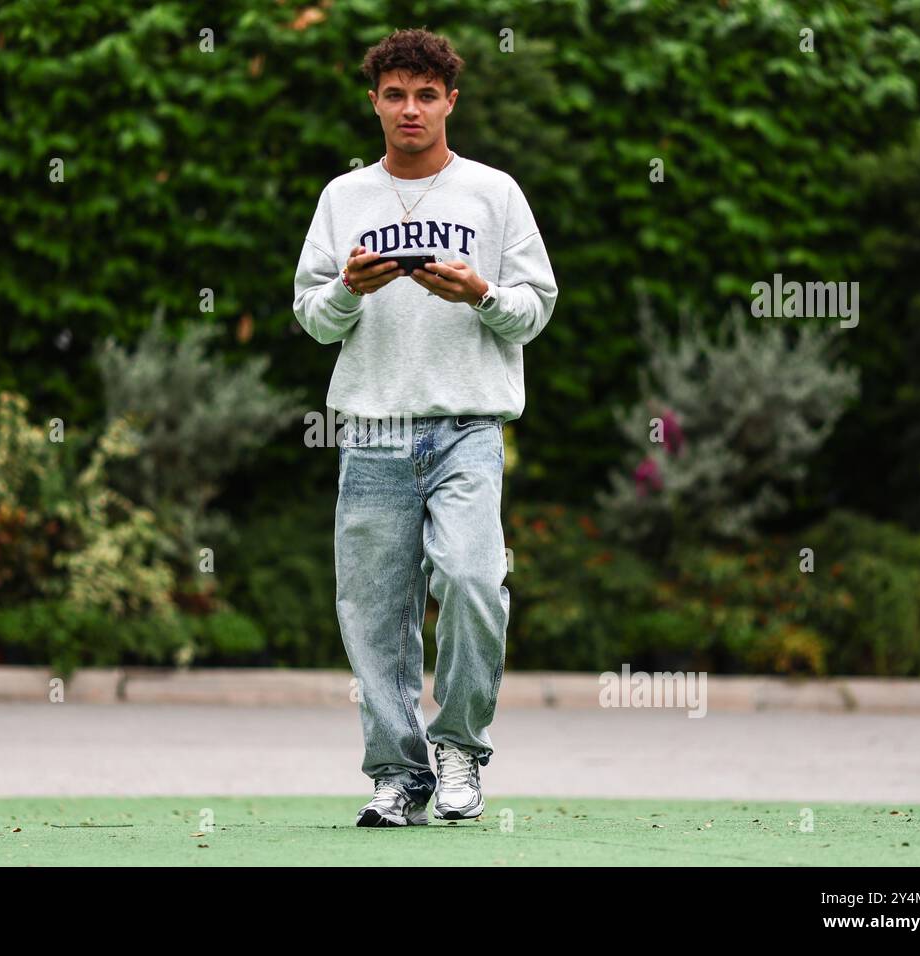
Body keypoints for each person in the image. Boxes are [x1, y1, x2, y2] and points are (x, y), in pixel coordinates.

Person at [292, 28, 558, 827]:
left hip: (468, 425)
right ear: (374, 101)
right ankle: (397, 774)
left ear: (451, 102)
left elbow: (535, 308)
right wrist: (348, 290)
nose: (411, 109)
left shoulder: (494, 193)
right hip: (373, 429)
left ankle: (461, 753)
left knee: (475, 583)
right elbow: (312, 317)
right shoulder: (344, 198)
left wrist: (480, 294)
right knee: (373, 615)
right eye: (396, 94)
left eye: (426, 94)